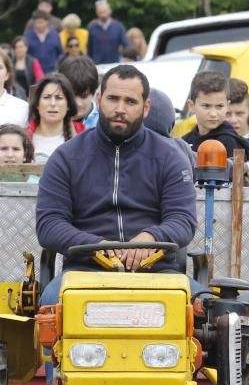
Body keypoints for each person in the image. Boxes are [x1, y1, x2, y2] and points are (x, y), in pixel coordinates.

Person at [36, 64, 197, 306]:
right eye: (113, 99)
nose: (120, 109)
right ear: (99, 100)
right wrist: (97, 246)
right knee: (50, 306)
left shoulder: (170, 157)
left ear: (146, 108)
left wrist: (149, 238)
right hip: (83, 273)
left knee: (213, 313)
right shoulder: (66, 157)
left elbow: (183, 220)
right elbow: (49, 224)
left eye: (130, 102)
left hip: (159, 274)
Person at [180, 72, 249, 157]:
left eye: (219, 106)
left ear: (227, 106)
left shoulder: (229, 142)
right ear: (191, 106)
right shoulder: (184, 141)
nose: (213, 114)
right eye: (206, 106)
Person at [28, 73, 78, 163]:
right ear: (37, 104)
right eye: (46, 97)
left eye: (59, 98)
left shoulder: (83, 137)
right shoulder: (24, 137)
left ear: (68, 105)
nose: (53, 103)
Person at [56, 55, 99, 132]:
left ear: (94, 93)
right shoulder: (50, 118)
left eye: (83, 96)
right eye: (71, 95)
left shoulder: (103, 123)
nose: (77, 103)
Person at [86, 0, 129, 65]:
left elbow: (126, 45)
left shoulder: (118, 26)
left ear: (110, 11)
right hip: (97, 65)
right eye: (100, 12)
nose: (103, 14)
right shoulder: (92, 27)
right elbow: (89, 48)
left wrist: (125, 59)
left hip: (115, 64)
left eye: (105, 11)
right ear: (97, 12)